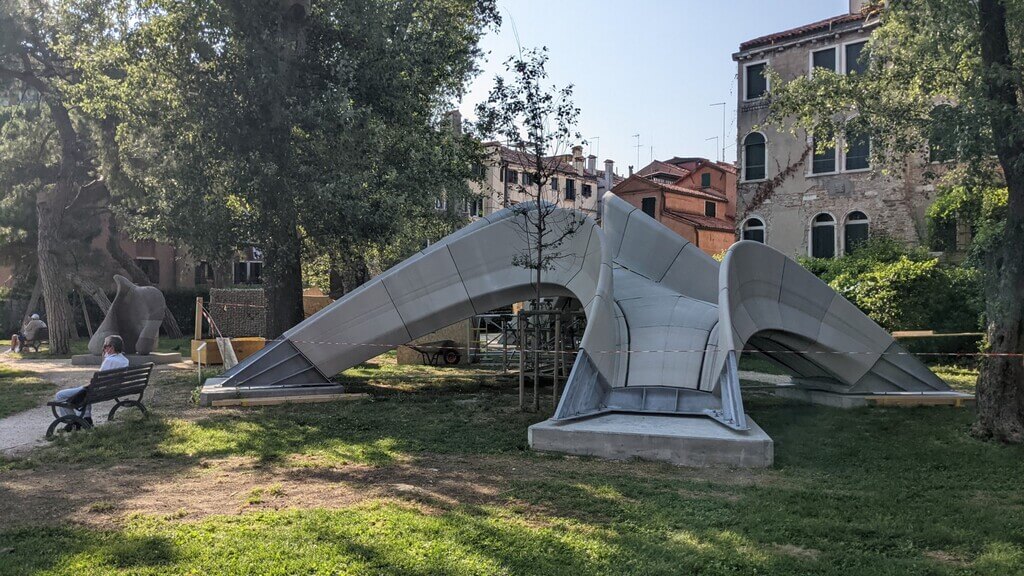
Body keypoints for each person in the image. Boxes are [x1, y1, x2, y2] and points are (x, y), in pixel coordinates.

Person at [53, 334, 130, 428]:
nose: (104, 349)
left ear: (111, 347)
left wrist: (105, 358)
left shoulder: (110, 360)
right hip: (111, 389)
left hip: (98, 391)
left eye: (105, 346)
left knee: (60, 395)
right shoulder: (124, 360)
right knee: (83, 392)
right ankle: (86, 419)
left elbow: (98, 381)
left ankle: (72, 422)